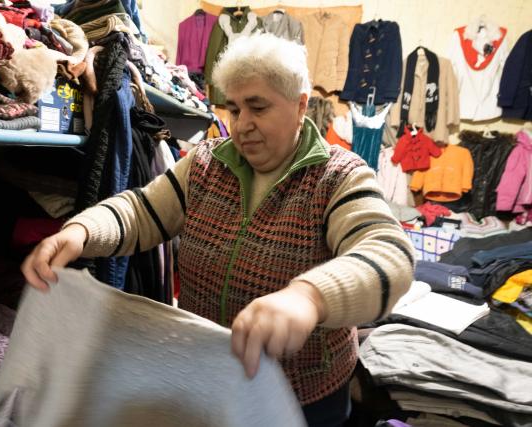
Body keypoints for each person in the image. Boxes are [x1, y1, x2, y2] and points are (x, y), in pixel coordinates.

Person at [22, 33, 414, 427]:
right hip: (207, 379)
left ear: (300, 106)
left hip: (304, 397)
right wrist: (82, 231)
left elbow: (388, 254)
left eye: (258, 107)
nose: (241, 125)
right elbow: (142, 211)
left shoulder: (337, 177)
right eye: (233, 108)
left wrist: (309, 298)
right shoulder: (206, 164)